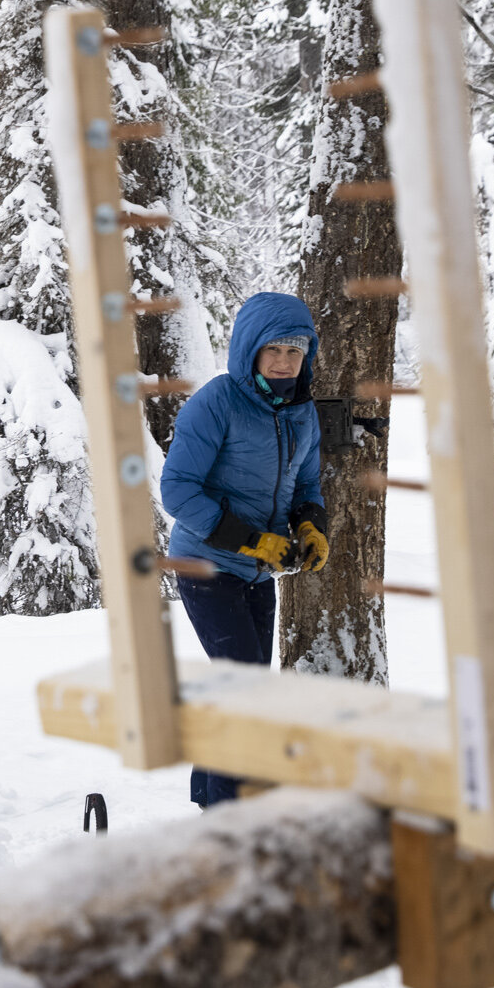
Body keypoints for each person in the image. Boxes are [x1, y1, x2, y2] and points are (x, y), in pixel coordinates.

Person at [158, 290, 328, 807]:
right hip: (206, 565)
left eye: (294, 352)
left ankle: (212, 799)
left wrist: (310, 526)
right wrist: (253, 541)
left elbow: (308, 486)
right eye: (273, 351)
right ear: (250, 350)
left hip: (258, 572)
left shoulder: (302, 413)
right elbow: (177, 490)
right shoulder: (216, 403)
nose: (283, 363)